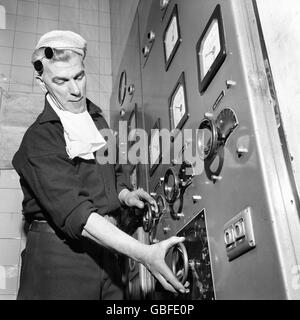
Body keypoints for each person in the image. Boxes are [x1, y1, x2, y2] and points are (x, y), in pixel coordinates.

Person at [12, 30, 188, 300]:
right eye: (61, 80)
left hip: (107, 250)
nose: (75, 89)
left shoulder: (97, 121)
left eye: (79, 76)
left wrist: (125, 194)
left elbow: (111, 173)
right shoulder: (39, 140)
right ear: (42, 81)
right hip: (60, 255)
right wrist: (145, 254)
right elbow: (77, 215)